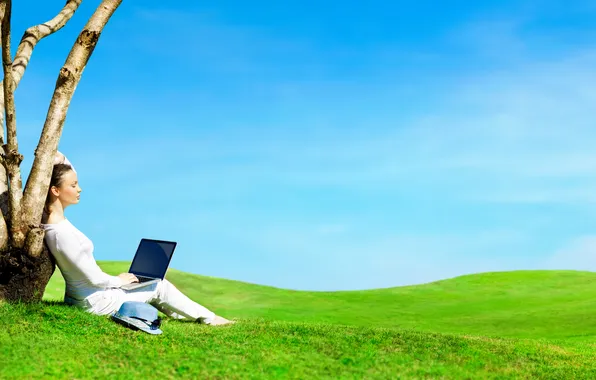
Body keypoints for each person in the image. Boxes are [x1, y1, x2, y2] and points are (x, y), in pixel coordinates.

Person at [41, 151, 234, 326]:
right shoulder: (61, 234)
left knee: (152, 286)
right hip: (96, 302)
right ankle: (210, 318)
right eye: (74, 186)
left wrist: (59, 157)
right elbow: (94, 278)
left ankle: (188, 315)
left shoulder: (53, 220)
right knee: (159, 286)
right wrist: (119, 280)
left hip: (89, 296)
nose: (79, 189)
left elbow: (65, 175)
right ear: (55, 191)